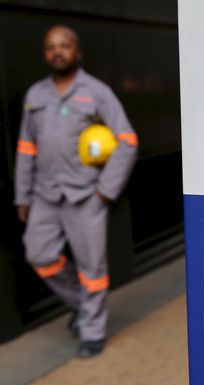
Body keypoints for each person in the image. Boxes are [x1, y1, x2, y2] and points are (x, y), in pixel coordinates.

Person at [14, 25, 138, 358]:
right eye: (51, 47)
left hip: (86, 196)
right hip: (45, 193)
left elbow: (127, 140)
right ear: (45, 53)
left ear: (77, 52)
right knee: (38, 254)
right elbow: (26, 148)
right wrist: (22, 195)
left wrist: (106, 190)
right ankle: (82, 307)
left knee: (92, 269)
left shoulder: (96, 92)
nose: (57, 52)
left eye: (64, 46)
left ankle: (93, 332)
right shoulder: (35, 96)